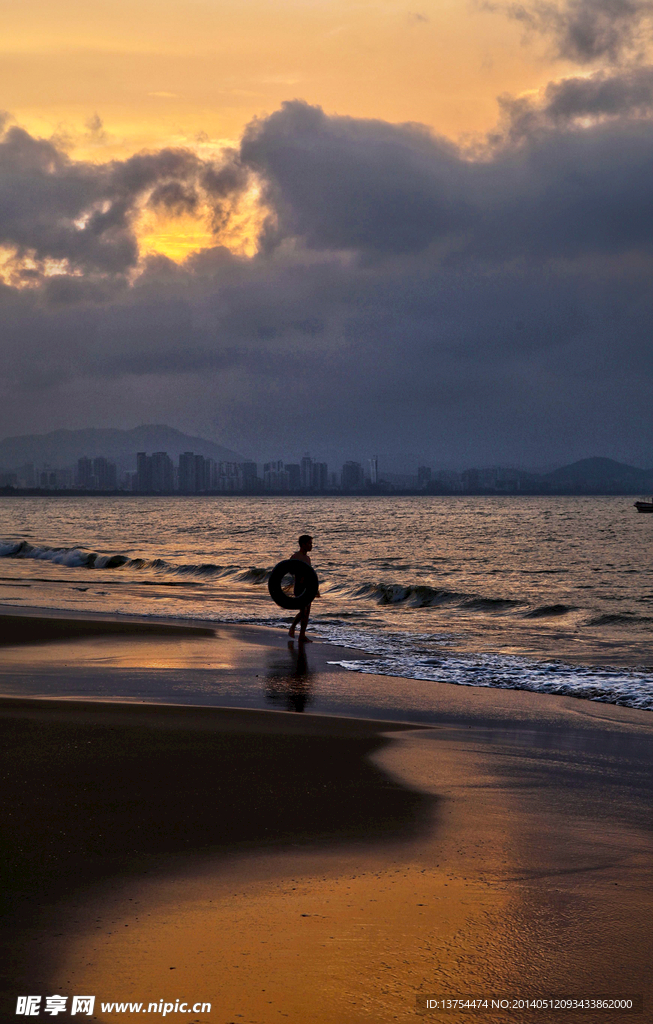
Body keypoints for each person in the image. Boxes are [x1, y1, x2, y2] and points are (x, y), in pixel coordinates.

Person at [288, 534, 318, 642]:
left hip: (308, 587)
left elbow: (310, 575)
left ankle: (302, 635)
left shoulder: (308, 558)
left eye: (311, 543)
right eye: (309, 543)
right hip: (299, 588)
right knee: (303, 611)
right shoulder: (295, 557)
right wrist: (298, 573)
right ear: (303, 544)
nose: (311, 546)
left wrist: (315, 589)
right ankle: (292, 627)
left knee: (307, 612)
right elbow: (289, 570)